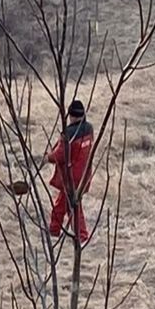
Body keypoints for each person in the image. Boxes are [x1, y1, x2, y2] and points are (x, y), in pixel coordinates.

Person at [47, 99, 94, 243]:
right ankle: (54, 230)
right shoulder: (89, 129)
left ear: (71, 115)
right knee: (63, 204)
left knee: (73, 207)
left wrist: (47, 158)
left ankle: (82, 236)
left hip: (70, 179)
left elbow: (59, 156)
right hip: (84, 176)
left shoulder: (68, 134)